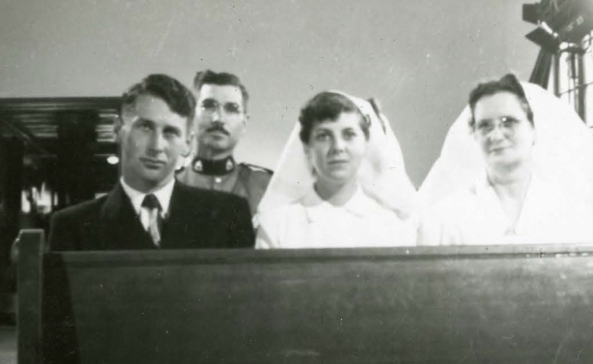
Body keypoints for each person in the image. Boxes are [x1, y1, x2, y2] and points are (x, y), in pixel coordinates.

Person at [48, 73, 255, 251]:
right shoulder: (73, 226)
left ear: (188, 143)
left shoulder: (229, 216)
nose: (156, 146)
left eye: (170, 132)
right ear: (118, 130)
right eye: (145, 127)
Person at [417, 74, 593, 245]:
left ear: (533, 130)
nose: (497, 135)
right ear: (474, 134)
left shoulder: (574, 212)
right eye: (485, 125)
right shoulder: (447, 217)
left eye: (508, 122)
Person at [255, 91, 416, 249]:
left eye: (349, 134)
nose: (338, 147)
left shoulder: (391, 227)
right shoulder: (276, 225)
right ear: (307, 148)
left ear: (366, 143)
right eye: (324, 136)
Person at [177, 70, 272, 216]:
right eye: (208, 105)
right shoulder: (168, 184)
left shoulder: (265, 188)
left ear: (244, 124)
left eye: (231, 109)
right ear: (191, 117)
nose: (218, 118)